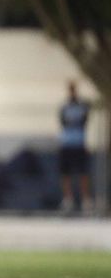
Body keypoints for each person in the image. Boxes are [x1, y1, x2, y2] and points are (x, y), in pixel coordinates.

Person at [58, 81, 93, 213]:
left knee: (83, 173)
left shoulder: (82, 106)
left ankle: (86, 199)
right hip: (67, 143)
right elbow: (63, 123)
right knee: (65, 173)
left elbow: (84, 121)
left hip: (79, 143)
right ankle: (68, 199)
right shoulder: (64, 107)